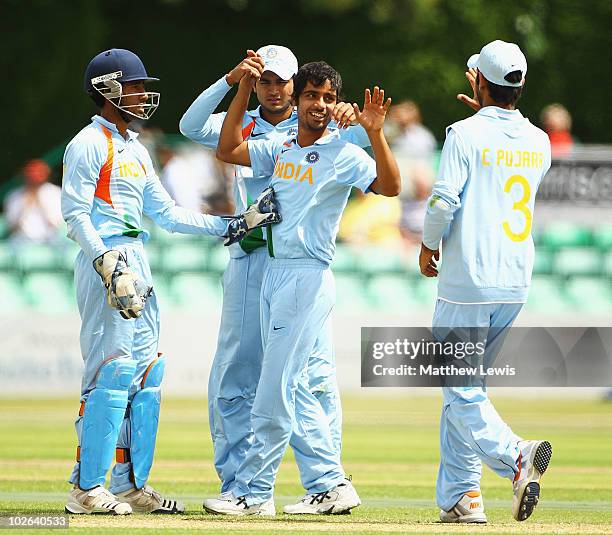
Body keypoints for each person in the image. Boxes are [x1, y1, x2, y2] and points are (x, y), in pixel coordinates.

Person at [61, 48, 280, 516]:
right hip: (106, 257)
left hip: (137, 258)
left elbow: (166, 214)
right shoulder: (87, 143)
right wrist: (106, 262)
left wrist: (234, 224)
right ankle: (85, 487)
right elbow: (74, 213)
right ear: (107, 90)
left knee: (146, 374)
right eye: (134, 86)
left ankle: (131, 485)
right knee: (110, 372)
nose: (143, 95)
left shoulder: (136, 149)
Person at [203, 59, 400, 515]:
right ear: (298, 98)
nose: (319, 104)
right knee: (298, 388)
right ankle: (331, 484)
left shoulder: (343, 154)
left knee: (274, 387)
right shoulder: (282, 147)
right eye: (312, 95)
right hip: (273, 272)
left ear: (335, 105)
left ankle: (253, 494)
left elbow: (390, 186)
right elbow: (228, 149)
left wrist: (374, 132)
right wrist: (243, 89)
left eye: (329, 98)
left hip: (307, 277)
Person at [419, 40, 553, 523]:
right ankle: (462, 497)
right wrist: (488, 117)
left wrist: (427, 244)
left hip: (467, 281)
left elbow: (442, 201)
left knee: (460, 390)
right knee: (466, 390)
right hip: (514, 280)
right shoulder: (540, 140)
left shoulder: (463, 133)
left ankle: (516, 454)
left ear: (478, 81)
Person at [4, 159, 63, 242]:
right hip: (22, 240)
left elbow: (56, 224)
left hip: (49, 239)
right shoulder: (15, 196)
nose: (33, 179)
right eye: (30, 175)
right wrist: (26, 205)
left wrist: (39, 200)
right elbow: (12, 228)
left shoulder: (54, 192)